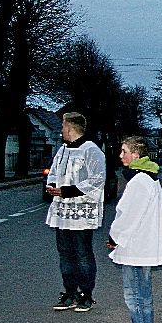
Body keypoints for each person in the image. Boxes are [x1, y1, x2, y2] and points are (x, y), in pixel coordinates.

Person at [107, 136, 162, 323]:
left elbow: (128, 215)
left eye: (124, 151)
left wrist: (114, 236)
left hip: (137, 247)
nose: (121, 155)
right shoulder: (146, 178)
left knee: (136, 295)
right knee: (137, 293)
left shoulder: (139, 181)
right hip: (138, 246)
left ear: (136, 155)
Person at [46, 112, 106, 312]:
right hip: (62, 212)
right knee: (65, 254)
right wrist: (52, 186)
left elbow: (97, 179)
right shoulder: (62, 150)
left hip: (81, 212)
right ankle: (69, 291)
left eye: (63, 127)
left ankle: (86, 294)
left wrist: (67, 191)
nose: (61, 130)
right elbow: (54, 171)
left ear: (70, 128)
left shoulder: (91, 150)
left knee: (82, 253)